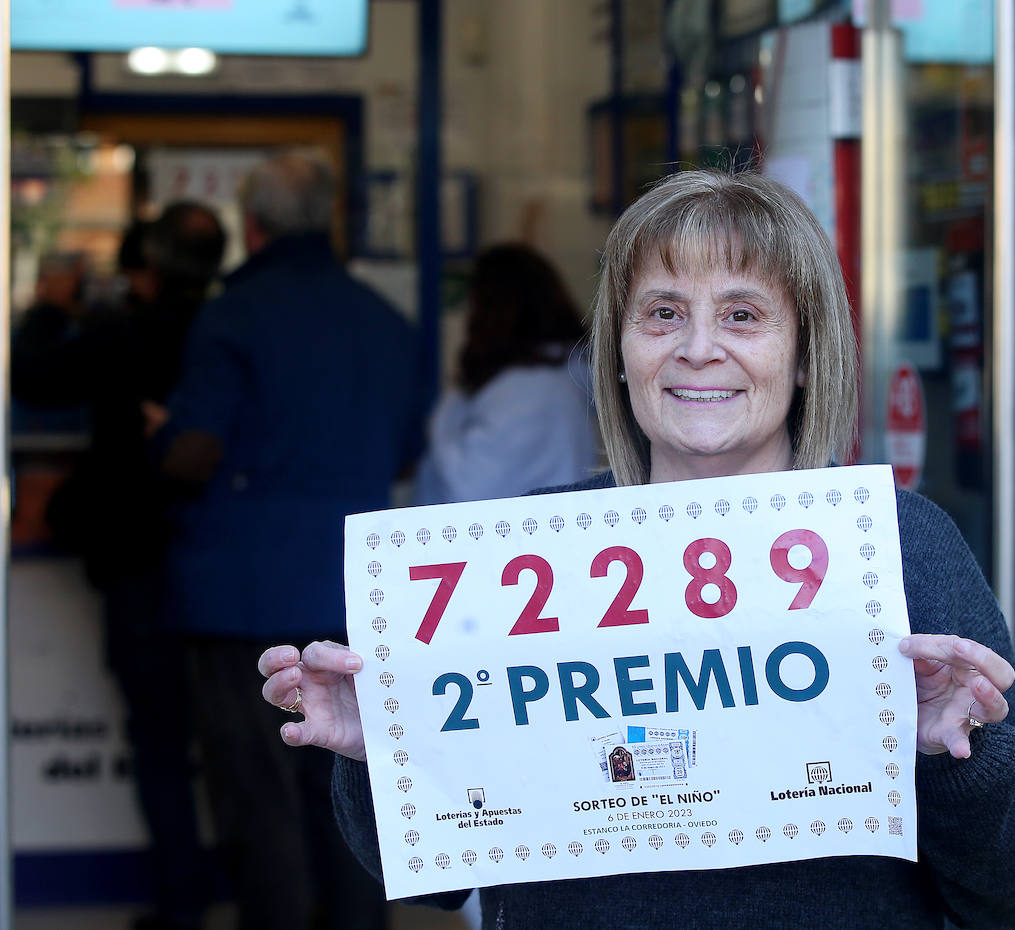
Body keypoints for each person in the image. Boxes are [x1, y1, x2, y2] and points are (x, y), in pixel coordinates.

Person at [257, 169, 1015, 929]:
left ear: (803, 357)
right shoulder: (518, 557)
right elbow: (440, 885)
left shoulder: (895, 543)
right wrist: (383, 750)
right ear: (619, 351)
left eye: (744, 315)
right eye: (663, 313)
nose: (698, 348)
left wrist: (957, 756)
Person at [152, 152, 426, 930]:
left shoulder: (231, 315)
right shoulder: (384, 320)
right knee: (350, 799)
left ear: (253, 224)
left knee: (259, 803)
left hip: (241, 600)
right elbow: (406, 450)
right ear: (329, 221)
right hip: (354, 596)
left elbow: (193, 451)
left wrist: (159, 438)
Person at [13, 204, 226, 930]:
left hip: (138, 565)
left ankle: (181, 903)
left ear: (145, 271)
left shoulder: (120, 332)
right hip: (224, 566)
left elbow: (34, 378)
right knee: (239, 746)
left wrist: (48, 305)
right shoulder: (229, 329)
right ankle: (260, 895)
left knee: (161, 742)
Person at [411, 243, 600, 505]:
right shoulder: (562, 380)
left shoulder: (528, 392)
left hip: (514, 542)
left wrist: (447, 409)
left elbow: (469, 489)